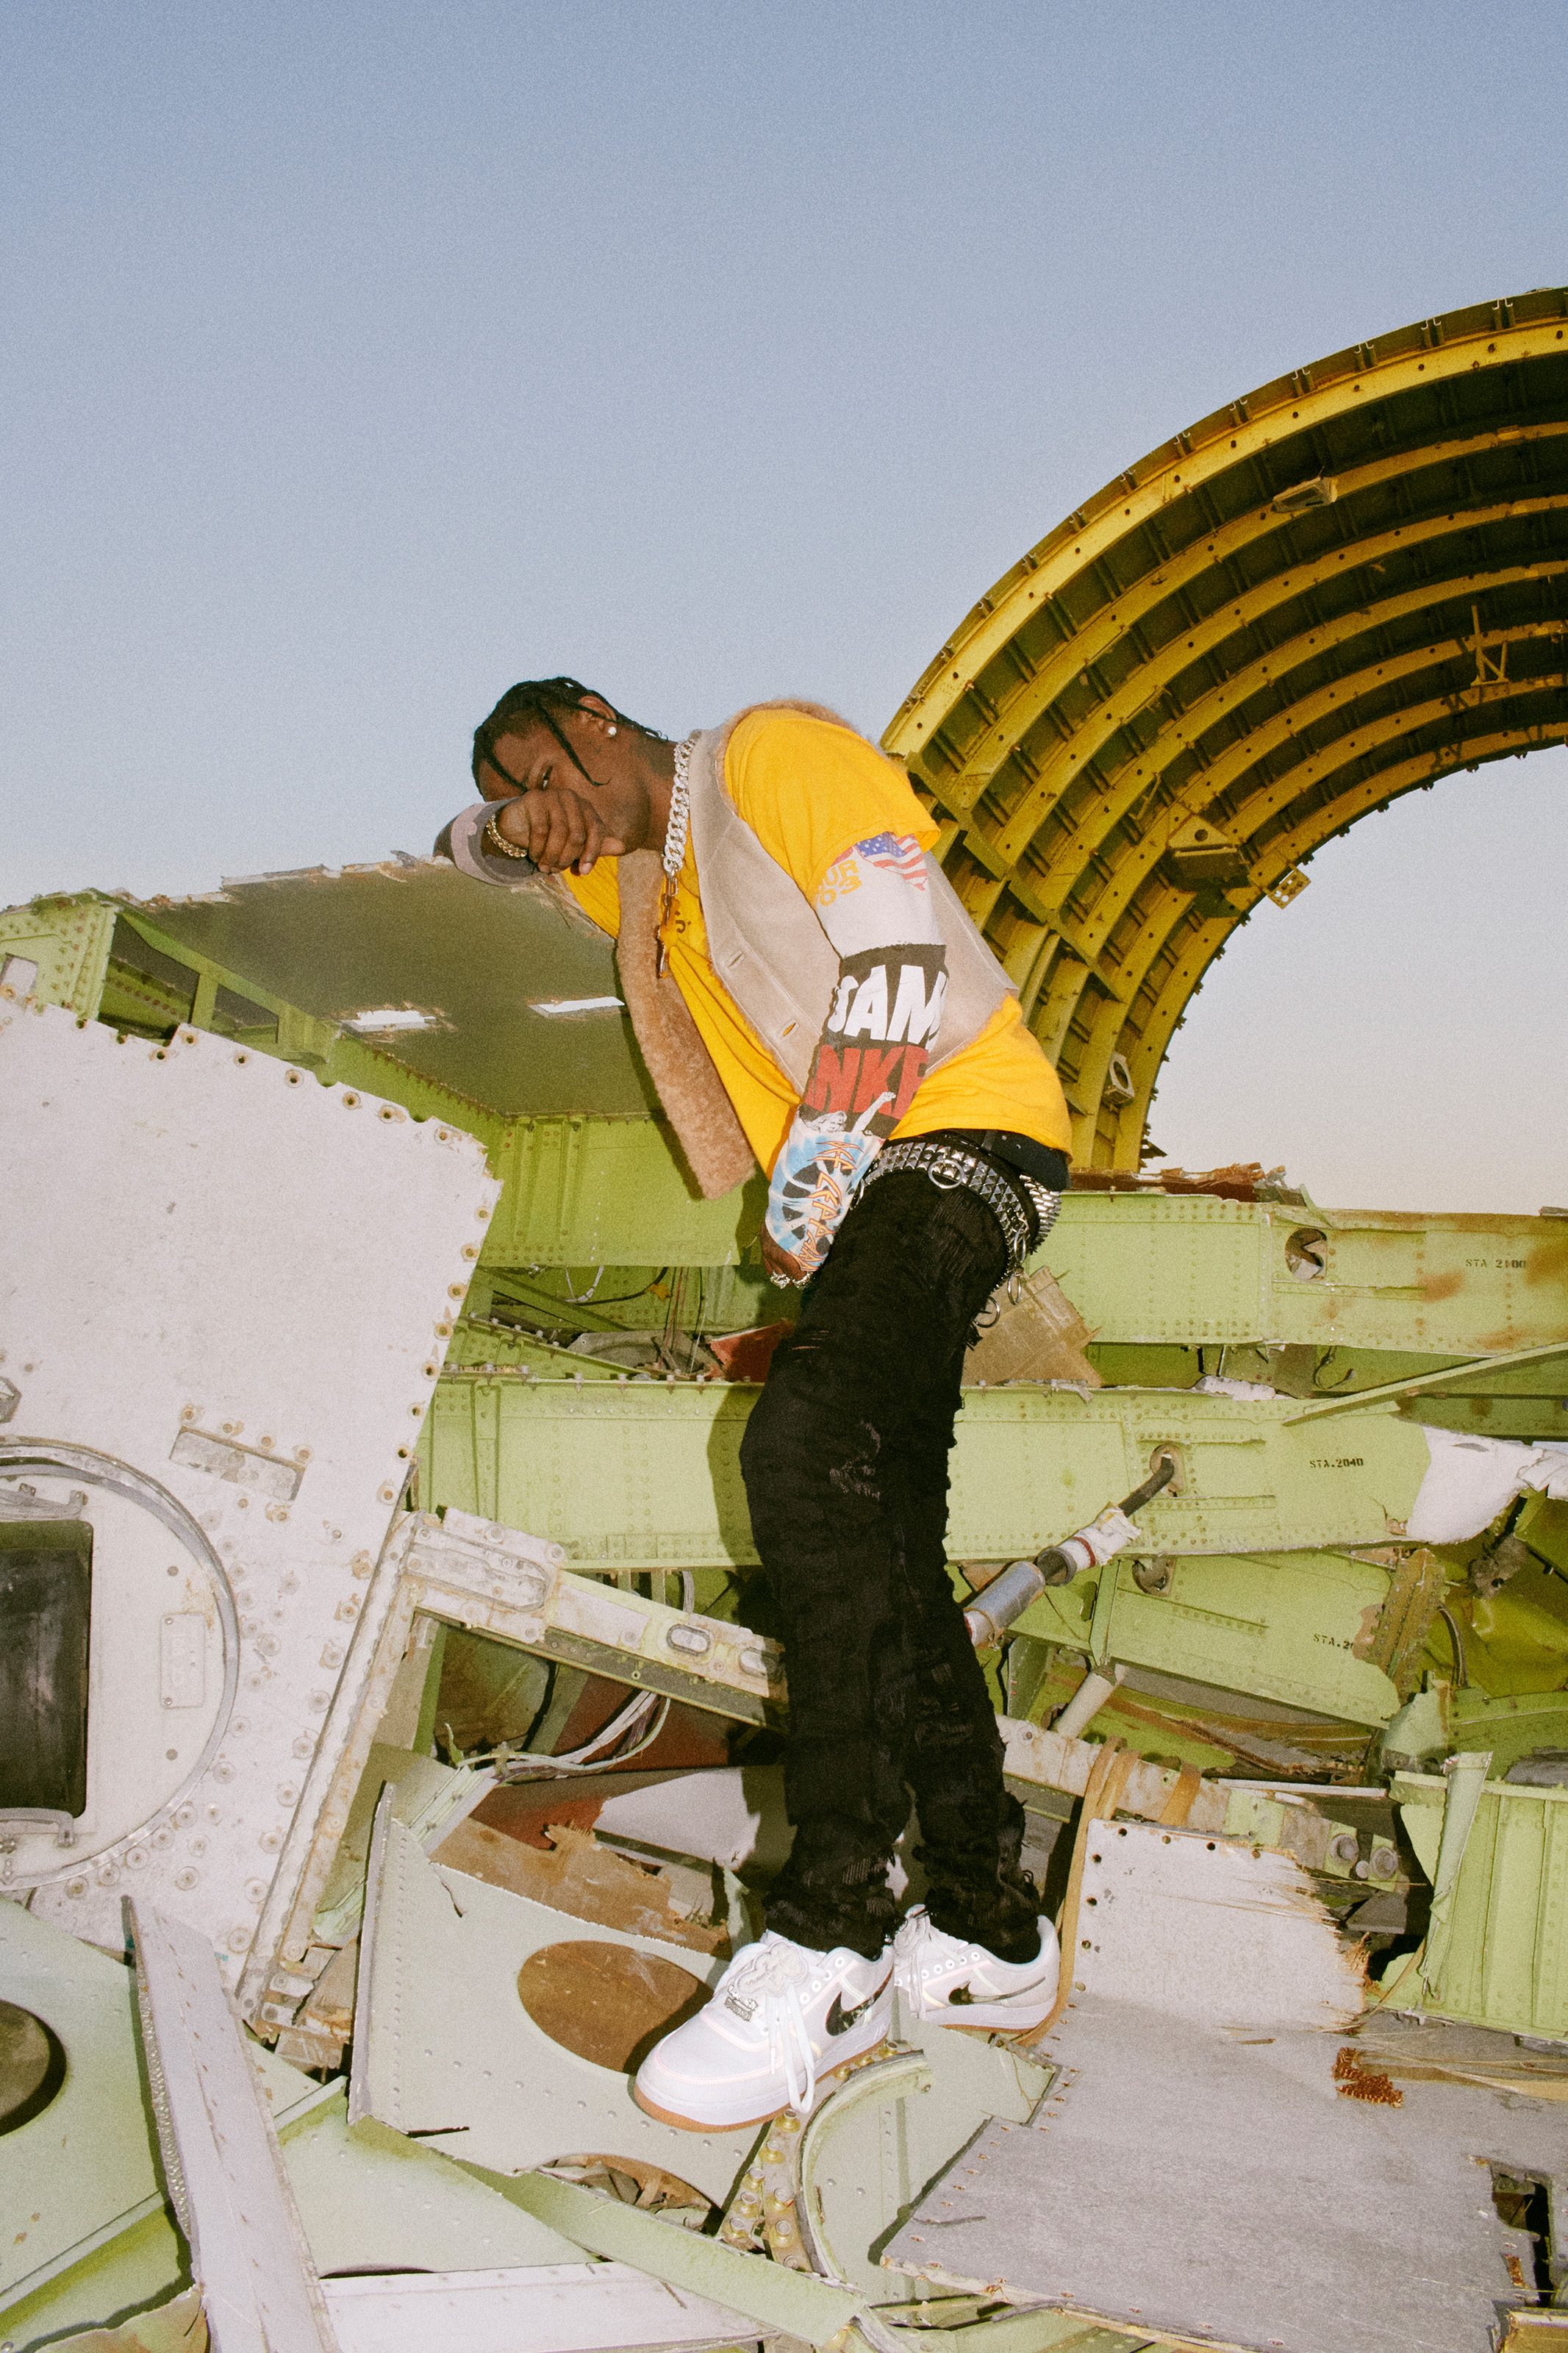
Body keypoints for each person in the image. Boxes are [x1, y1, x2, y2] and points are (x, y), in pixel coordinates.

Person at [454, 679, 1075, 2132]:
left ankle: (830, 1930)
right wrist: (505, 818)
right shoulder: (644, 888)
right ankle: (989, 1924)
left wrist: (819, 1159)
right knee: (883, 1551)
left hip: (952, 1126)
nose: (557, 824)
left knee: (798, 1448)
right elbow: (461, 857)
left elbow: (901, 941)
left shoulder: (765, 755)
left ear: (598, 718)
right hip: (883, 1182)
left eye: (548, 768)